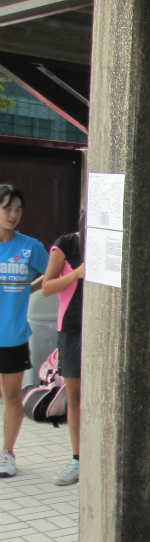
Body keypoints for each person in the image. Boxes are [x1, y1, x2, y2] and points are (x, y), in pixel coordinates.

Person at [0, 185, 48, 479]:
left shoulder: (30, 247)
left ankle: (7, 453)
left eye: (18, 209)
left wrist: (28, 288)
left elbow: (53, 274)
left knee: (10, 396)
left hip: (13, 337)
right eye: (7, 208)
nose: (13, 215)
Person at [41, 228, 84, 485]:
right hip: (71, 328)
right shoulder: (66, 244)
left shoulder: (110, 239)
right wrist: (76, 274)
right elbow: (46, 287)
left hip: (104, 328)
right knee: (75, 396)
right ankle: (77, 458)